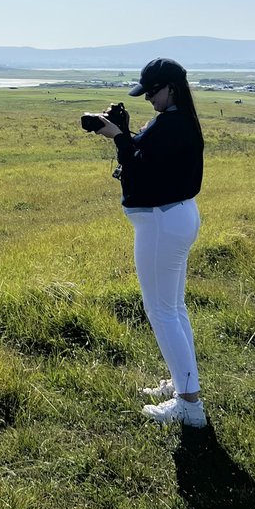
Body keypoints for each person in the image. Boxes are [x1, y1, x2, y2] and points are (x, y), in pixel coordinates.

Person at [95, 57, 207, 427]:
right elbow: (147, 152)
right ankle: (182, 383)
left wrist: (118, 138)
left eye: (152, 92)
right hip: (175, 216)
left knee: (161, 310)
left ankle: (189, 405)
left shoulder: (172, 125)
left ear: (170, 88)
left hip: (162, 222)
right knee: (173, 307)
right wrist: (125, 134)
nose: (148, 99)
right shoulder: (178, 122)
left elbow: (140, 164)